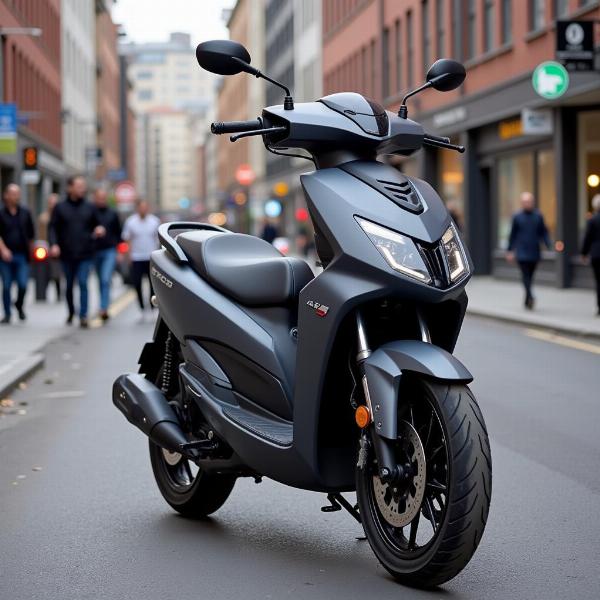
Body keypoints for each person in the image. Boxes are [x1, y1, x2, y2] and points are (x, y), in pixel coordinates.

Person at [49, 175, 105, 328]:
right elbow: (53, 228)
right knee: (68, 285)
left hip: (85, 253)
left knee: (83, 282)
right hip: (66, 253)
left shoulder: (90, 207)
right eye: (79, 186)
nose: (82, 189)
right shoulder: (60, 207)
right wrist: (54, 244)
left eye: (83, 186)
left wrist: (99, 229)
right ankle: (71, 311)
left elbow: (98, 224)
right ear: (70, 188)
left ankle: (83, 315)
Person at [506, 191, 551, 310]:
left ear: (533, 202)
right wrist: (510, 250)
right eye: (525, 202)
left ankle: (527, 299)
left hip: (534, 251)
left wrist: (549, 245)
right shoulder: (517, 217)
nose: (527, 204)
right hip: (521, 251)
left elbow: (543, 232)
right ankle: (530, 295)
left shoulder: (538, 216)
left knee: (530, 276)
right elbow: (512, 235)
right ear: (522, 203)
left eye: (529, 201)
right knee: (525, 275)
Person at [0, 184, 34, 323]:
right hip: (5, 255)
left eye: (18, 194)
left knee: (23, 284)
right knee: (7, 285)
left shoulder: (25, 212)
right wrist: (3, 250)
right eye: (13, 194)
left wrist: (30, 254)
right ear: (6, 195)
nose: (16, 197)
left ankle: (19, 305)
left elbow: (31, 234)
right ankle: (7, 313)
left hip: (22, 254)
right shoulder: (1, 213)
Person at [121, 199, 160, 312]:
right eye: (141, 207)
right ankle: (142, 308)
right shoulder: (130, 221)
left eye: (145, 207)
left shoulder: (154, 221)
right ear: (137, 208)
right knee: (137, 283)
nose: (143, 209)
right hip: (136, 257)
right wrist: (128, 256)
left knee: (153, 284)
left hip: (150, 257)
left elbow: (158, 239)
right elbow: (127, 239)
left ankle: (152, 306)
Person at [93, 187, 121, 321]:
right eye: (99, 197)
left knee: (105, 279)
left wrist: (119, 251)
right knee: (101, 280)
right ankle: (104, 302)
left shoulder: (112, 213)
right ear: (95, 198)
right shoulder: (90, 212)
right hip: (94, 251)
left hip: (110, 250)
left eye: (104, 197)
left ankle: (103, 308)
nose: (101, 200)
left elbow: (118, 233)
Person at [38, 193, 62, 300]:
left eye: (54, 203)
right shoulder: (43, 217)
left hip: (58, 248)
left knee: (57, 272)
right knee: (45, 272)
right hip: (45, 248)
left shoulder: (62, 216)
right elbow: (40, 234)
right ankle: (43, 294)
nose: (52, 205)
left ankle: (59, 294)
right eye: (51, 203)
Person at [581, 194, 600, 316]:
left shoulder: (592, 220)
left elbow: (587, 238)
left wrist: (583, 253)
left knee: (598, 282)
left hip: (596, 255)